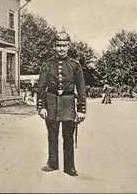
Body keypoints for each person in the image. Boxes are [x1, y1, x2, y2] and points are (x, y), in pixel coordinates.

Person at [36, 31, 87, 177]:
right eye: (58, 45)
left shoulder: (75, 65)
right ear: (54, 46)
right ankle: (52, 163)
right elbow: (41, 87)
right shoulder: (47, 65)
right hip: (51, 103)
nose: (61, 49)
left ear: (69, 46)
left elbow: (81, 89)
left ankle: (69, 167)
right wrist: (42, 106)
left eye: (64, 45)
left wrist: (81, 109)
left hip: (68, 104)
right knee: (52, 135)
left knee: (68, 136)